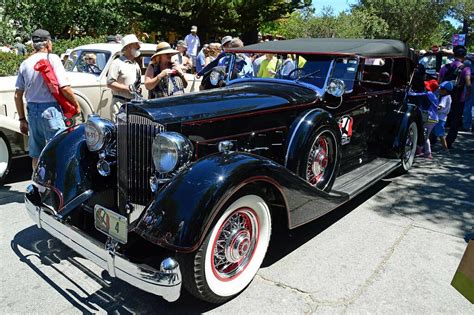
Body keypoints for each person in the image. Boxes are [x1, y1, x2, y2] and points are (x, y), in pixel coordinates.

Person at [14, 29, 80, 169]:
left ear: (33, 45)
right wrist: (76, 105)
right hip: (50, 110)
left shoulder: (25, 63)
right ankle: (56, 187)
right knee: (59, 149)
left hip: (32, 111)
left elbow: (17, 95)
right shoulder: (53, 58)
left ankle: (38, 186)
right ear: (48, 43)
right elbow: (64, 88)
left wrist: (21, 119)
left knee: (37, 154)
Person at [438, 45, 472, 149]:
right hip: (458, 97)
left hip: (444, 96)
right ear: (464, 56)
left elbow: (439, 81)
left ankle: (434, 137)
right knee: (455, 121)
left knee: (440, 117)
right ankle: (448, 142)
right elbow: (468, 84)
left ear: (454, 54)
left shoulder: (445, 67)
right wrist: (468, 94)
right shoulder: (466, 69)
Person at [107, 34, 142, 109]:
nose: (139, 47)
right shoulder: (117, 63)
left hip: (133, 103)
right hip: (120, 104)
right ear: (129, 46)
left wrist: (137, 89)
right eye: (136, 44)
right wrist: (128, 88)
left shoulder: (136, 64)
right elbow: (110, 83)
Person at [433, 81, 453, 152]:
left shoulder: (445, 98)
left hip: (440, 118)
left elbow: (441, 106)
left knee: (441, 134)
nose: (440, 90)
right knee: (437, 133)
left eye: (442, 89)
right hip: (441, 117)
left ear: (446, 91)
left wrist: (434, 108)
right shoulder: (448, 97)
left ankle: (445, 149)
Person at [462, 59, 473, 131]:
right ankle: (467, 125)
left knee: (468, 106)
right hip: (470, 83)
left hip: (470, 84)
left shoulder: (467, 61)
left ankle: (466, 126)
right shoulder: (468, 61)